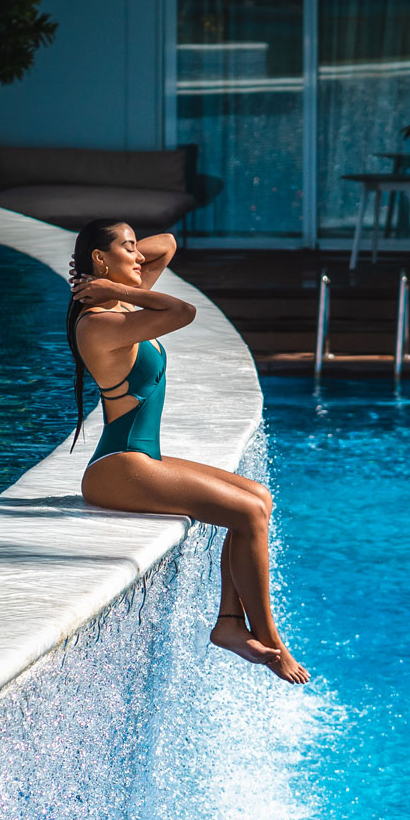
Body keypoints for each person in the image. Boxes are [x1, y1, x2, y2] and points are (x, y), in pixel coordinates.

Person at [68, 218, 309, 685]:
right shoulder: (100, 324)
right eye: (128, 249)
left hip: (141, 459)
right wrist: (112, 285)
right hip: (119, 468)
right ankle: (272, 643)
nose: (141, 258)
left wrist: (105, 277)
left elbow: (168, 245)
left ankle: (230, 623)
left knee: (258, 498)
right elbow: (183, 311)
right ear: (102, 258)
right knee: (249, 515)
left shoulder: (118, 306)